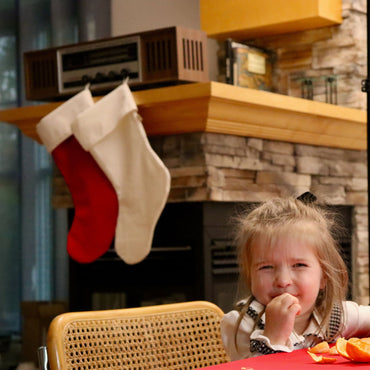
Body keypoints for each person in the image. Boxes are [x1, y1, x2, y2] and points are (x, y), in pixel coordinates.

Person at [220, 193, 370, 360]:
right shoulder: (239, 325)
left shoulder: (336, 316)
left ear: (323, 277)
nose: (283, 281)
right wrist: (274, 337)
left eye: (299, 265)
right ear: (250, 276)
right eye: (266, 267)